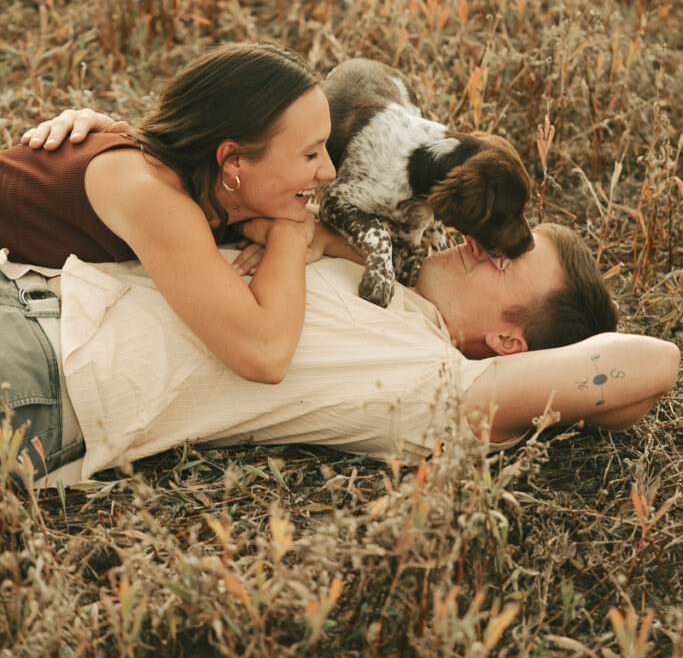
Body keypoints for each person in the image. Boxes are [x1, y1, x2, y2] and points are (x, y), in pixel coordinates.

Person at [2, 103, 679, 485]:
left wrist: (567, 405)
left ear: (510, 345)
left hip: (45, 375)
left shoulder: (438, 386)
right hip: (26, 282)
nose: (477, 242)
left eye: (504, 263)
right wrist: (112, 141)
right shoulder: (364, 254)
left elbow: (653, 365)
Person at [1, 42, 361, 389]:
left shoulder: (216, 188)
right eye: (311, 154)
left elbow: (374, 257)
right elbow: (265, 355)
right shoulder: (151, 193)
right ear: (233, 160)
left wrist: (313, 229)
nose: (328, 171)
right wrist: (290, 237)